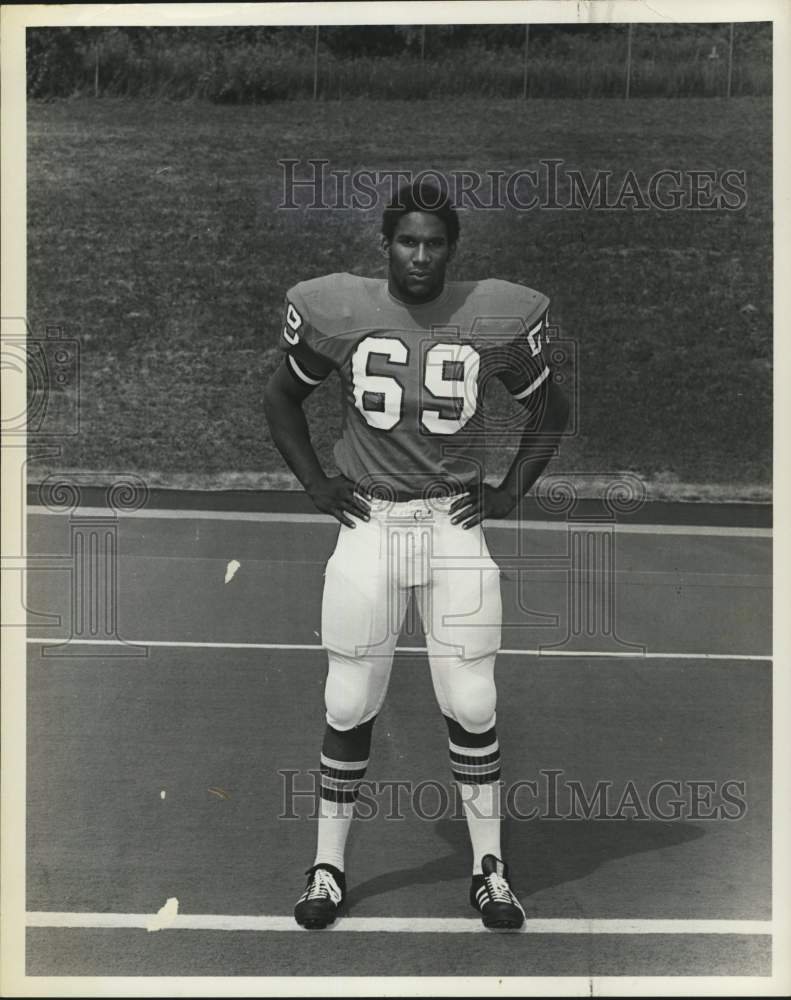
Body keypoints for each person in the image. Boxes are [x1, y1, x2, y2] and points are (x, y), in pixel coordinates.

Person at [263, 179, 568, 931]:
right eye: (408, 240)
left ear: (451, 249)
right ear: (386, 244)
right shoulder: (339, 308)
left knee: (471, 701)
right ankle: (327, 868)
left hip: (451, 524)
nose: (421, 255)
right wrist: (316, 482)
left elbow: (550, 410)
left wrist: (505, 494)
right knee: (347, 700)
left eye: (434, 242)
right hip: (370, 520)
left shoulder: (494, 314)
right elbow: (280, 400)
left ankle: (488, 871)